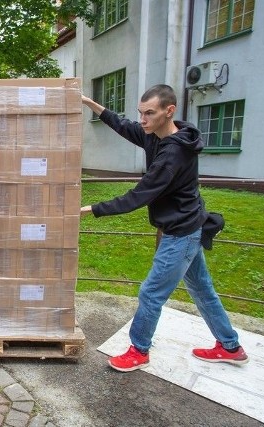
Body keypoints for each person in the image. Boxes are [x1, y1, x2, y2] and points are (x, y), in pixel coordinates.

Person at [80, 85, 248, 372]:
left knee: (151, 293)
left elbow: (139, 195)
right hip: (189, 224)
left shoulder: (173, 155)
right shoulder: (157, 135)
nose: (143, 119)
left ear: (169, 111)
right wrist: (87, 102)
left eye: (149, 113)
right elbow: (123, 126)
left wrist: (90, 209)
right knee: (203, 290)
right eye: (141, 113)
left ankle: (139, 350)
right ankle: (230, 346)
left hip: (181, 233)